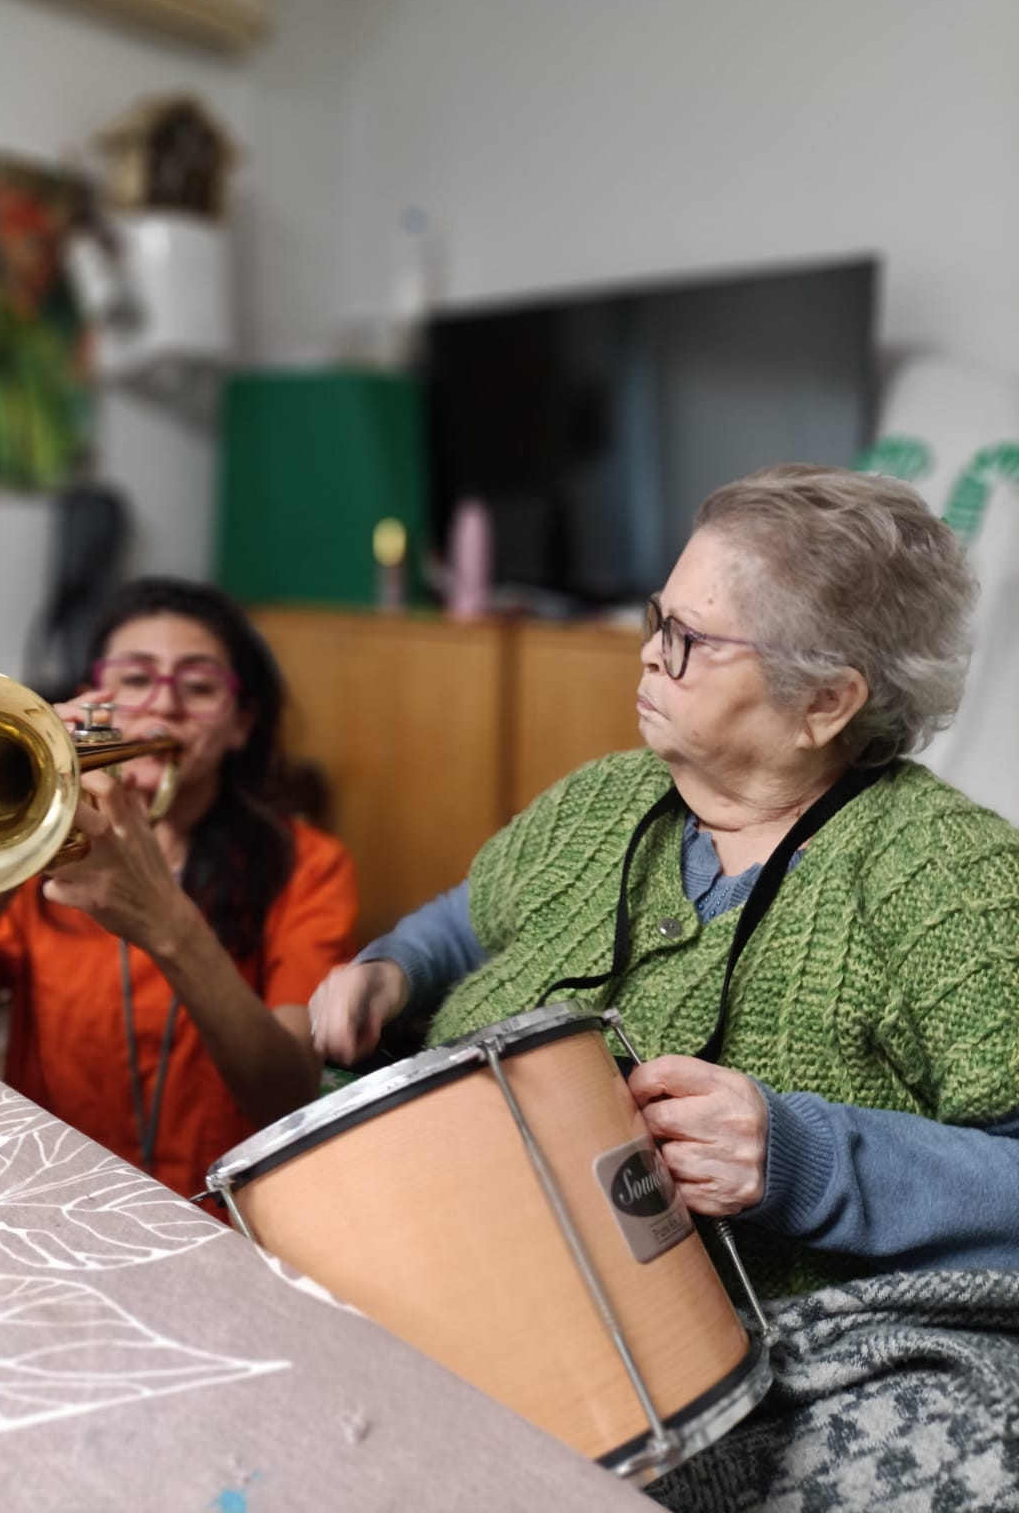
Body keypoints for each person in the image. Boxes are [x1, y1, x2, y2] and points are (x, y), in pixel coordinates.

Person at [309, 465, 1019, 1301]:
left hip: (738, 1371)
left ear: (825, 702)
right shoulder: (606, 798)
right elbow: (473, 920)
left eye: (690, 638)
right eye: (657, 618)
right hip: (448, 1262)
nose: (647, 651)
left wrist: (803, 1160)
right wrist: (394, 971)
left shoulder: (946, 876)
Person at [0, 576, 357, 1200]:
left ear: (242, 724)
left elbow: (289, 1093)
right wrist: (6, 852)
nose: (162, 707)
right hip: (52, 1191)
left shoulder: (308, 863)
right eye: (135, 679)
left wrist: (169, 920)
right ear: (94, 701)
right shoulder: (45, 846)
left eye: (198, 687)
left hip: (228, 1206)